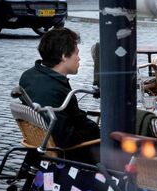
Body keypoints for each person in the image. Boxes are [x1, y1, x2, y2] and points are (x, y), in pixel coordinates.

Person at [19, 28, 100, 164]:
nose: (79, 58)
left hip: (42, 145)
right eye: (76, 53)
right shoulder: (54, 88)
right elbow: (65, 137)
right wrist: (97, 132)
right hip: (71, 154)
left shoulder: (29, 76)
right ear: (64, 56)